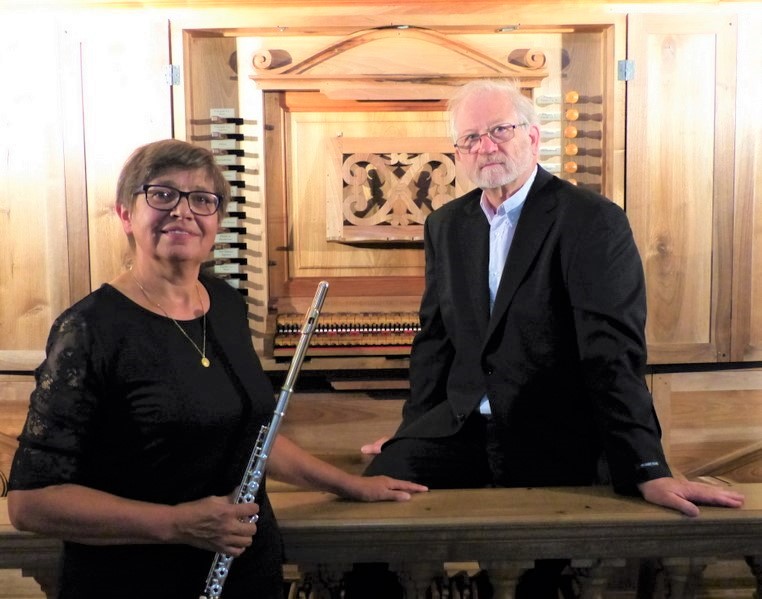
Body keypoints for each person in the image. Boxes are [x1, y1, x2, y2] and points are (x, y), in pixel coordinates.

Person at [361, 79, 744, 595]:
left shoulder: (590, 220)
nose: (486, 146)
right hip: (462, 433)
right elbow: (436, 343)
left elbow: (612, 353)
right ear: (459, 153)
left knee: (542, 583)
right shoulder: (447, 225)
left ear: (533, 138)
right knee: (370, 526)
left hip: (554, 435)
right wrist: (414, 430)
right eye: (470, 138)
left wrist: (647, 465)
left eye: (499, 130)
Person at [7, 139, 427, 599]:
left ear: (217, 221)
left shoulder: (223, 304)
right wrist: (176, 523)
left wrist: (351, 486)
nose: (183, 212)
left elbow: (250, 437)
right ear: (126, 214)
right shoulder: (89, 329)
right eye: (162, 194)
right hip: (136, 579)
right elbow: (32, 503)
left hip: (244, 571)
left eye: (202, 200)